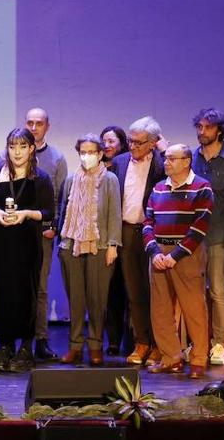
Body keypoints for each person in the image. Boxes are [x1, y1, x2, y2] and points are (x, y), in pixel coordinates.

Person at [0, 128, 54, 373]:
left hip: (27, 244)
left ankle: (26, 347)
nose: (17, 152)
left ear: (31, 148)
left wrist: (26, 214)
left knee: (27, 293)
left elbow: (49, 212)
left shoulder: (40, 178)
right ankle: (5, 346)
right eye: (12, 146)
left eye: (22, 147)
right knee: (0, 293)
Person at [144, 144, 214, 380]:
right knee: (160, 309)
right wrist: (154, 252)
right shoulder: (158, 188)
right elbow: (147, 223)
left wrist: (174, 256)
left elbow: (199, 228)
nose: (167, 162)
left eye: (172, 158)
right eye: (166, 158)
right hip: (159, 253)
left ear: (186, 161)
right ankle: (171, 357)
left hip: (186, 254)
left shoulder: (202, 188)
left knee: (194, 307)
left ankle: (198, 359)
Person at [55, 135, 122, 365]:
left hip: (99, 246)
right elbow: (63, 211)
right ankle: (75, 346)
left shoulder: (109, 179)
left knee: (97, 299)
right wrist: (61, 242)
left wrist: (113, 245)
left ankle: (95, 346)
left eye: (91, 152)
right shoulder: (71, 179)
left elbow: (115, 213)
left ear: (100, 154)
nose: (87, 156)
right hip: (71, 245)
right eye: (82, 152)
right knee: (76, 300)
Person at [191, 108, 224, 367]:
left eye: (207, 127)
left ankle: (220, 344)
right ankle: (198, 341)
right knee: (194, 292)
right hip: (193, 237)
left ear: (219, 130)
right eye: (199, 127)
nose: (202, 132)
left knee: (219, 291)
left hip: (219, 236)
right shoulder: (191, 158)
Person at [111, 116, 167, 366]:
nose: (132, 146)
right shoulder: (120, 162)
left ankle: (158, 344)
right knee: (134, 292)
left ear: (153, 143)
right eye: (131, 141)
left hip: (152, 234)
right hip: (126, 231)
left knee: (155, 291)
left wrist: (165, 152)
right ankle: (141, 341)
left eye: (139, 142)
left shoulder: (162, 165)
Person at [23, 107, 68, 361]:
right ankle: (20, 340)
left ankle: (40, 339)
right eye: (29, 122)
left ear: (47, 126)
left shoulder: (56, 158)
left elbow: (62, 198)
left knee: (39, 288)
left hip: (43, 233)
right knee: (18, 287)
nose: (33, 127)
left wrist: (54, 227)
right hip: (16, 233)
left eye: (39, 123)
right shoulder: (13, 155)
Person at [101, 124, 131, 356]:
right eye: (104, 141)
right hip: (106, 236)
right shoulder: (98, 169)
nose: (107, 146)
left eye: (112, 141)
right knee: (111, 291)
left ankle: (131, 340)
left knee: (130, 288)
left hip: (128, 234)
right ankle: (112, 339)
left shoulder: (130, 166)